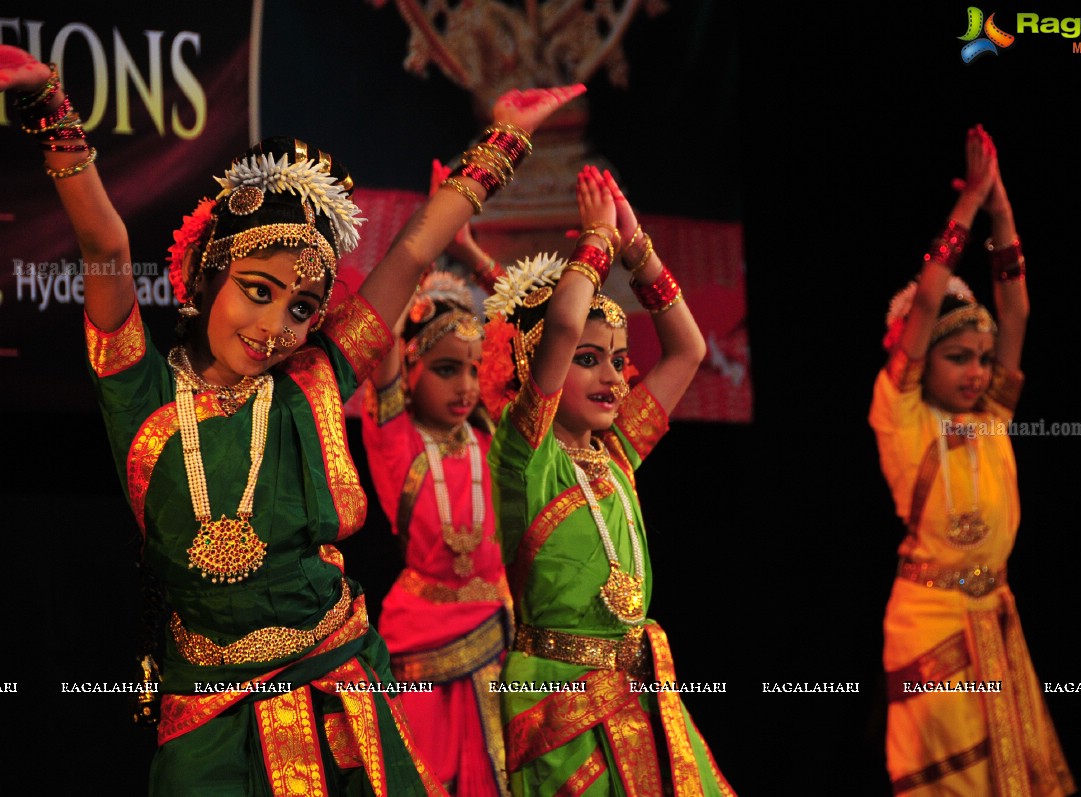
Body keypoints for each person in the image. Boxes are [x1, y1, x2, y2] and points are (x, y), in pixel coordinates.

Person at [1, 43, 581, 795]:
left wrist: (502, 138)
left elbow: (410, 252)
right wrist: (49, 107)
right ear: (208, 277)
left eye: (303, 306)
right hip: (206, 706)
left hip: (336, 675)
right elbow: (105, 243)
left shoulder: (312, 378)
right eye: (258, 289)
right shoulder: (136, 390)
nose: (276, 324)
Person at [481, 165, 735, 794]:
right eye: (588, 363)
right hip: (559, 701)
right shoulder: (524, 457)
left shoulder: (619, 451)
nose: (615, 380)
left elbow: (689, 352)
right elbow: (562, 328)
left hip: (640, 697)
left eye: (619, 362)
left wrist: (638, 248)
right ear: (536, 365)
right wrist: (594, 242)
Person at [868, 124, 1075, 795]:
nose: (976, 371)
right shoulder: (901, 412)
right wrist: (966, 207)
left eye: (983, 360)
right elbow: (929, 299)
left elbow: (1015, 310)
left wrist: (1004, 214)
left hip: (994, 616)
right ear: (922, 359)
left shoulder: (989, 417)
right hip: (930, 622)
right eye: (958, 357)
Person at [359, 244, 511, 794]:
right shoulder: (397, 439)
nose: (466, 386)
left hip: (500, 637)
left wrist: (475, 256)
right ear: (412, 367)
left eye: (474, 370)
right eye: (447, 369)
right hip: (421, 640)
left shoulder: (491, 437)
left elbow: (524, 340)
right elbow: (380, 348)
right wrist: (413, 271)